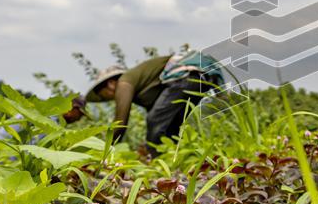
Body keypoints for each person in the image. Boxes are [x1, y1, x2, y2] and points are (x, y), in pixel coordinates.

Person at [86, 50, 225, 154]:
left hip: (185, 76)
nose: (108, 98)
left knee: (154, 121)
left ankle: (154, 161)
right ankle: (173, 159)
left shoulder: (123, 83)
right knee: (171, 128)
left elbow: (120, 123)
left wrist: (104, 150)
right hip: (199, 80)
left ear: (110, 84)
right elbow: (160, 113)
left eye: (103, 95)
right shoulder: (142, 86)